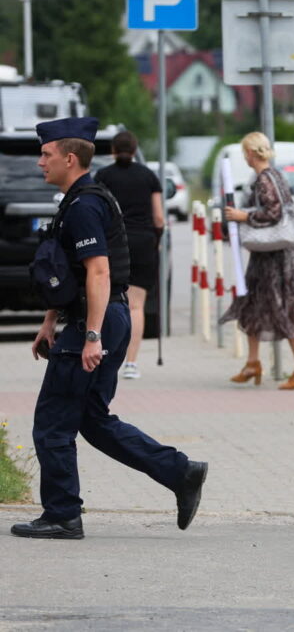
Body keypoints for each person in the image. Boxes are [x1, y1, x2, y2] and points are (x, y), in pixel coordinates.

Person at [15, 117, 207, 540]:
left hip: (97, 320)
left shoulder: (84, 206)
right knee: (93, 420)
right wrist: (50, 321)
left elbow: (98, 273)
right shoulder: (80, 199)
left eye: (45, 155)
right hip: (102, 317)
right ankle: (181, 472)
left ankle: (63, 514)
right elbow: (67, 273)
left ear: (69, 157)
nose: (39, 162)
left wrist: (91, 335)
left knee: (52, 423)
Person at [221, 131, 294, 390]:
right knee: (252, 303)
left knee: (282, 307)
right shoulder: (275, 175)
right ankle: (252, 363)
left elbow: (273, 212)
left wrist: (243, 216)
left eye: (245, 153)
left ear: (251, 153)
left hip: (275, 257)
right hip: (267, 255)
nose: (245, 157)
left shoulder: (264, 179)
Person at [95, 131, 164, 380]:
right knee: (136, 306)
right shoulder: (148, 176)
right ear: (135, 150)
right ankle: (132, 364)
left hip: (114, 245)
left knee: (106, 301)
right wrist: (157, 239)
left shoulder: (103, 176)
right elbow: (158, 217)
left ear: (113, 150)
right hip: (143, 243)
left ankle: (105, 356)